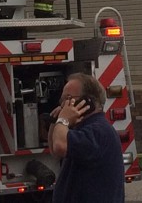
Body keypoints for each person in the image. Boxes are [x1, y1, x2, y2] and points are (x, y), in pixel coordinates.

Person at [48, 72, 124, 203]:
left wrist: (64, 119)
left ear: (87, 101)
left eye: (68, 98)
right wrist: (55, 122)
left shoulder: (98, 131)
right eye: (62, 101)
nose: (63, 105)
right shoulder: (81, 128)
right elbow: (55, 151)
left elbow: (60, 145)